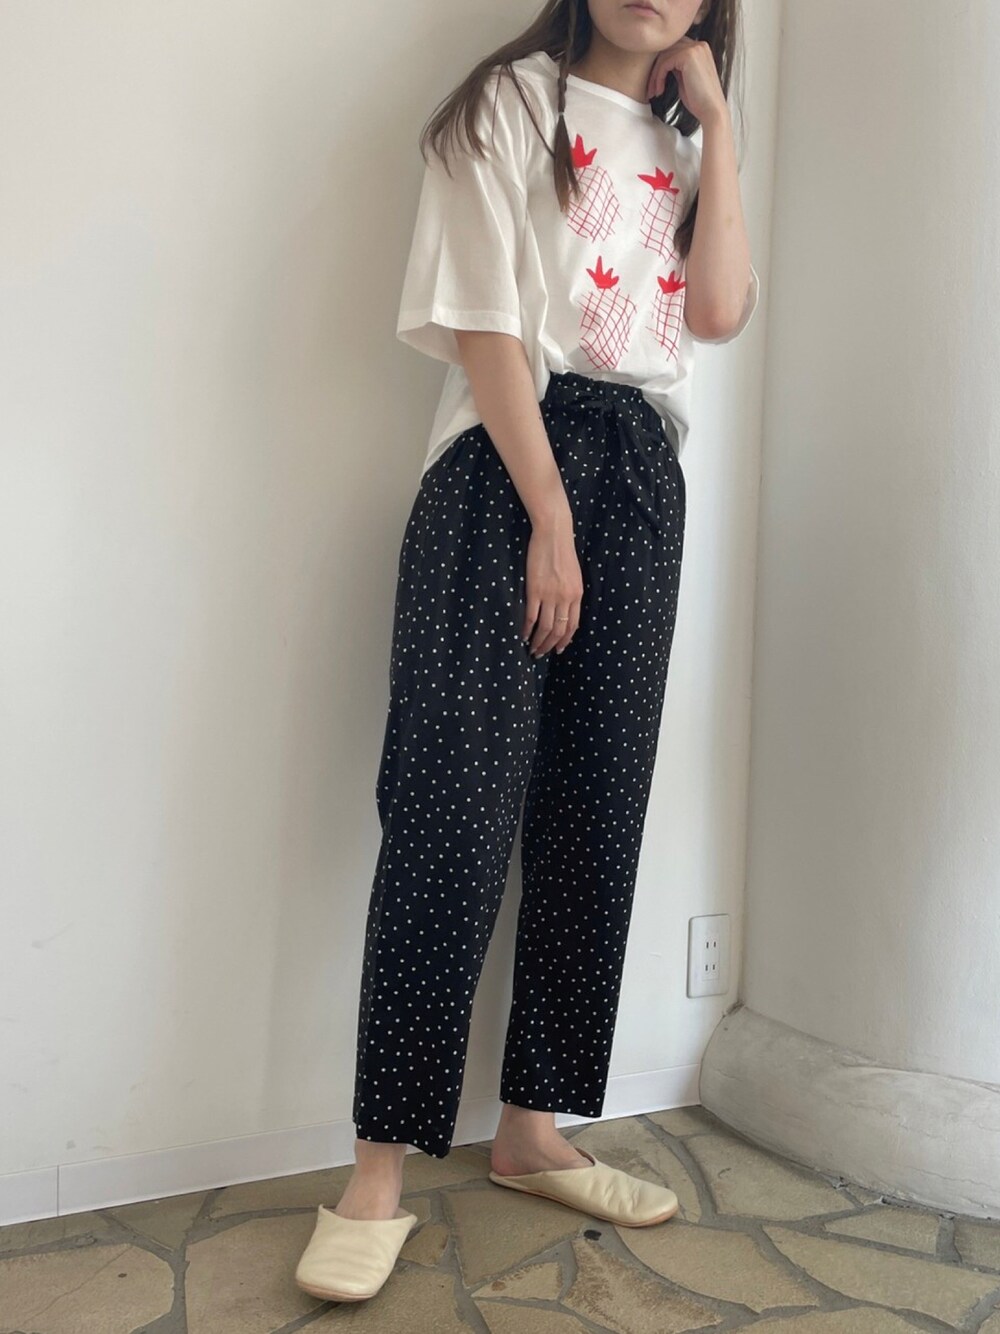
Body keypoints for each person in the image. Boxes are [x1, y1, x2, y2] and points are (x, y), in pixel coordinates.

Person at [295, 0, 759, 1303]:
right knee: (448, 808)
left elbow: (718, 310)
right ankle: (377, 1172)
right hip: (506, 467)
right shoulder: (506, 106)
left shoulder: (686, 143)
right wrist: (547, 513)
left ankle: (533, 1128)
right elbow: (485, 321)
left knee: (595, 810)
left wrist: (720, 129)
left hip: (642, 472)